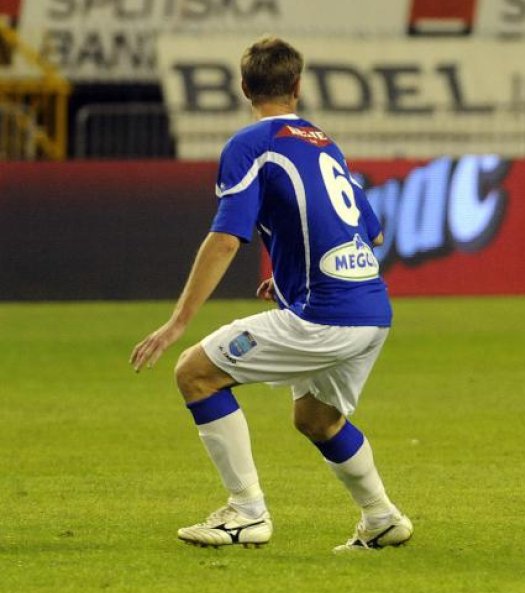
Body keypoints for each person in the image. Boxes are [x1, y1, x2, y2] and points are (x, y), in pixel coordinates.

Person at [129, 36, 412, 550]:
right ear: (298, 87)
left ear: (243, 88)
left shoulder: (250, 144)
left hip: (326, 317)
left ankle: (246, 513)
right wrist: (289, 277)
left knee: (195, 373)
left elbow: (226, 238)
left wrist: (177, 323)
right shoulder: (323, 141)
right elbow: (370, 234)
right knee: (316, 418)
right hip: (371, 311)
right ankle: (382, 518)